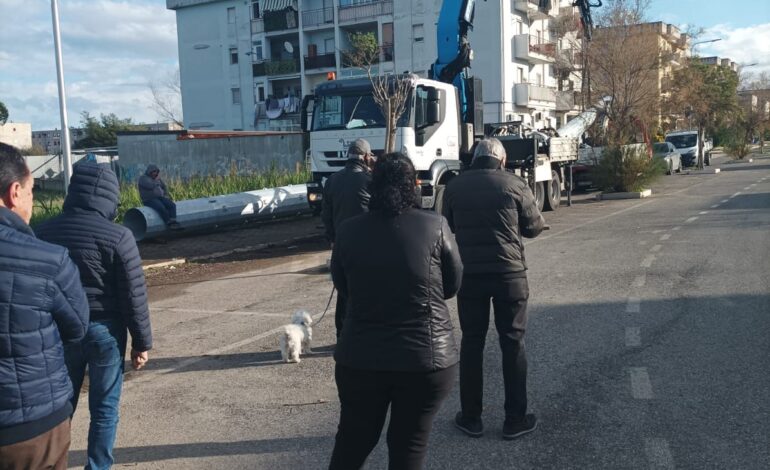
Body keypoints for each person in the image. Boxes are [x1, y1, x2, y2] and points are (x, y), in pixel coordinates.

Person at [329, 152, 463, 470]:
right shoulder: (436, 226)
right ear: (413, 185)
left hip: (361, 358)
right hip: (425, 359)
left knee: (352, 443)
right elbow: (451, 285)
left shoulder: (348, 231)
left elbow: (343, 287)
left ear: (373, 186)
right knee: (408, 447)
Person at [36, 162, 153, 470]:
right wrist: (141, 343)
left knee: (59, 407)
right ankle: (98, 467)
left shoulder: (43, 231)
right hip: (106, 330)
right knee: (104, 407)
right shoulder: (119, 236)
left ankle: (51, 463)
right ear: (110, 196)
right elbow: (133, 296)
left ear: (73, 191)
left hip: (58, 331)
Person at [442, 138, 546, 440]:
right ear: (501, 160)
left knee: (472, 342)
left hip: (470, 275)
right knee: (512, 342)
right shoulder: (514, 184)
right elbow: (533, 226)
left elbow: (445, 226)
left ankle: (471, 418)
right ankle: (515, 419)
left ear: (476, 158)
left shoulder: (454, 187)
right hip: (509, 275)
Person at [0, 142, 89, 469]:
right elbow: (77, 327)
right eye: (31, 191)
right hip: (33, 427)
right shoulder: (48, 259)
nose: (31, 201)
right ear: (14, 193)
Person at [321, 138, 375, 337]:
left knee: (343, 291)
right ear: (367, 157)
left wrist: (332, 238)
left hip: (341, 244)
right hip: (366, 244)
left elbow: (326, 214)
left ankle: (342, 335)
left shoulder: (333, 180)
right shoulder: (370, 180)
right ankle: (365, 334)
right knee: (366, 290)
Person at [138, 164, 179, 228]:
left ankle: (173, 221)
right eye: (154, 172)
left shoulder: (156, 178)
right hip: (149, 200)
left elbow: (164, 186)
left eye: (157, 172)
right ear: (150, 171)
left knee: (172, 205)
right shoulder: (143, 178)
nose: (155, 173)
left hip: (160, 197)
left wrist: (165, 194)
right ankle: (168, 222)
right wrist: (156, 181)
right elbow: (150, 186)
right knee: (161, 207)